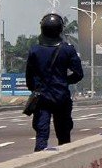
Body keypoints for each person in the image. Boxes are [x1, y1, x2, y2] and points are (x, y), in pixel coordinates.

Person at [26, 13, 84, 152]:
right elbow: (78, 74)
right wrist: (64, 82)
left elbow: (29, 77)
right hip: (61, 97)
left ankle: (38, 162)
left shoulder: (34, 50)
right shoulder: (67, 49)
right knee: (64, 136)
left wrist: (36, 89)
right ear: (60, 30)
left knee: (41, 135)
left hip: (41, 98)